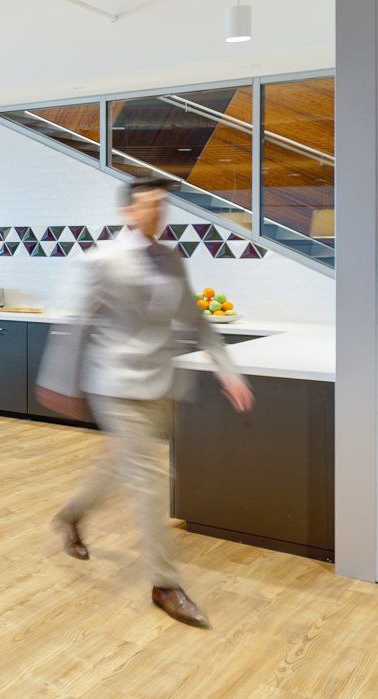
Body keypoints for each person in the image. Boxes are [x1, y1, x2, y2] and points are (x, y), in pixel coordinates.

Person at [35, 175, 254, 628]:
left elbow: (197, 321)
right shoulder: (102, 260)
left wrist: (226, 369)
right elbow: (76, 326)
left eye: (162, 205)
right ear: (128, 211)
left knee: (119, 464)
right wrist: (59, 382)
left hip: (161, 383)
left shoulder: (173, 260)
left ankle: (70, 515)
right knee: (151, 479)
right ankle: (165, 584)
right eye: (149, 205)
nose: (158, 213)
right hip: (114, 384)